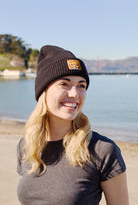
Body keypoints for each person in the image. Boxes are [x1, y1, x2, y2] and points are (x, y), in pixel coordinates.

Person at [17, 45, 129, 205]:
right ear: (43, 91)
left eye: (81, 85)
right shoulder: (26, 146)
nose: (75, 94)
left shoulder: (102, 150)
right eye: (64, 84)